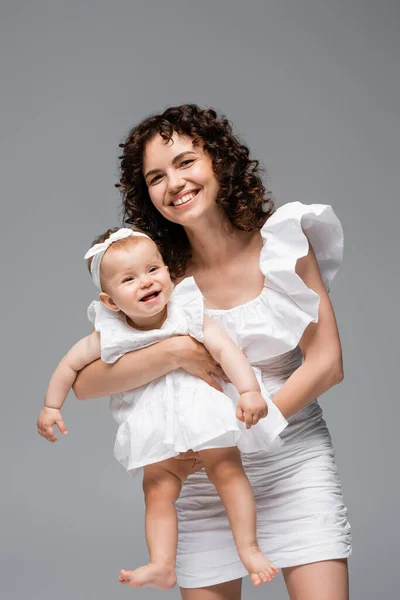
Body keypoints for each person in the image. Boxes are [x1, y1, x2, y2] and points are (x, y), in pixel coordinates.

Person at [73, 104, 352, 600]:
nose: (173, 183)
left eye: (185, 162)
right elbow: (86, 381)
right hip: (204, 479)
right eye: (156, 176)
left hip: (293, 461)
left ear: (219, 162)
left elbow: (328, 364)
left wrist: (248, 432)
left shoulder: (284, 243)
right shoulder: (158, 277)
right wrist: (176, 352)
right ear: (146, 194)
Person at [37, 226, 289, 588]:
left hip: (204, 413)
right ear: (110, 301)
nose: (146, 282)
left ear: (168, 273)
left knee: (228, 471)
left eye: (153, 270)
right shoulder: (108, 333)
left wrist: (249, 391)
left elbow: (224, 350)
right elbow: (69, 366)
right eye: (129, 279)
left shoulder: (185, 311)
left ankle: (249, 548)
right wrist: (51, 406)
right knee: (156, 489)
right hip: (157, 428)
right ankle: (162, 564)